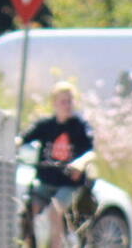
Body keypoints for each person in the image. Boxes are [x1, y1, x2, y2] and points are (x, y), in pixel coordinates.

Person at [20, 81, 94, 248]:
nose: (67, 105)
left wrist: (80, 163)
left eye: (70, 101)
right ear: (54, 103)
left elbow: (90, 152)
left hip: (69, 184)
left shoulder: (80, 126)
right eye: (63, 101)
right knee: (29, 210)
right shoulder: (46, 125)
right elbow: (23, 139)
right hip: (46, 182)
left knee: (55, 211)